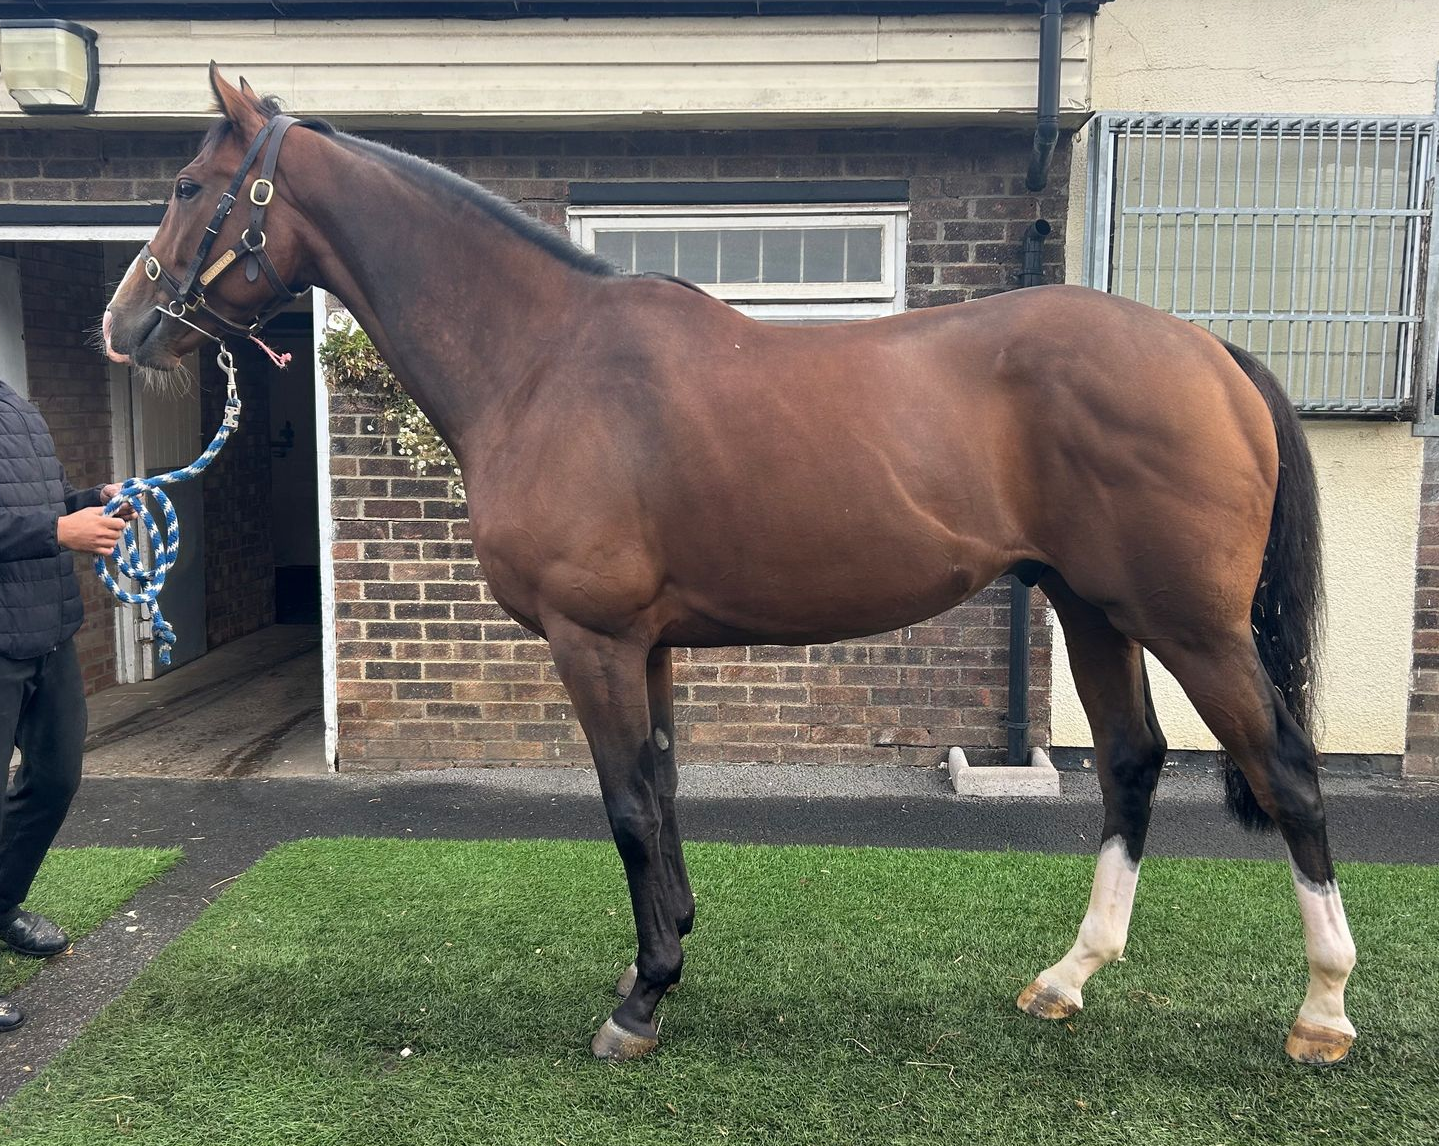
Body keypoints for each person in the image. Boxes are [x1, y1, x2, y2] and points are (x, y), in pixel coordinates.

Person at [0, 376, 132, 1033]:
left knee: (54, 779)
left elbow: (45, 510)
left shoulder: (18, 408)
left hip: (49, 635)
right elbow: (44, 527)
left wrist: (94, 505)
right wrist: (60, 528)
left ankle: (1, 905)